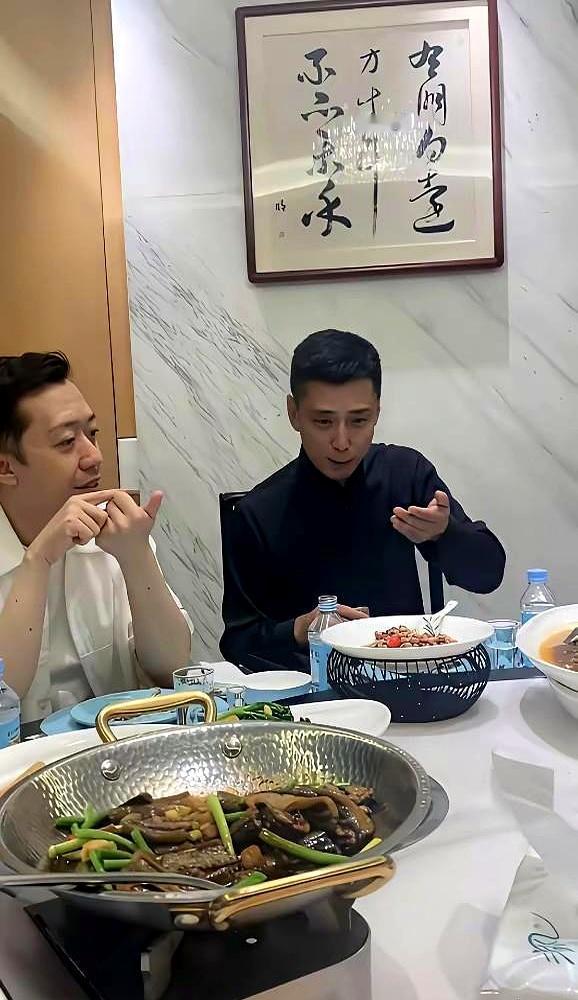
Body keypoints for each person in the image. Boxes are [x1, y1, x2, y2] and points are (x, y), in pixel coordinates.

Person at [220, 330, 505, 671]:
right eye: (323, 421)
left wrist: (445, 534)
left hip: (407, 676)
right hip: (313, 689)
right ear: (294, 413)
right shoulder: (257, 513)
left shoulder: (405, 473)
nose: (342, 442)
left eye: (358, 420)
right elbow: (237, 643)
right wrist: (299, 629)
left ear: (377, 412)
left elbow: (489, 575)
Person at [0, 352, 193, 722]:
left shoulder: (116, 533)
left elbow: (172, 668)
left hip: (114, 748)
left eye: (92, 433)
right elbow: (3, 695)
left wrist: (136, 556)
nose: (93, 456)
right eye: (66, 441)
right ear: (5, 467)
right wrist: (38, 560)